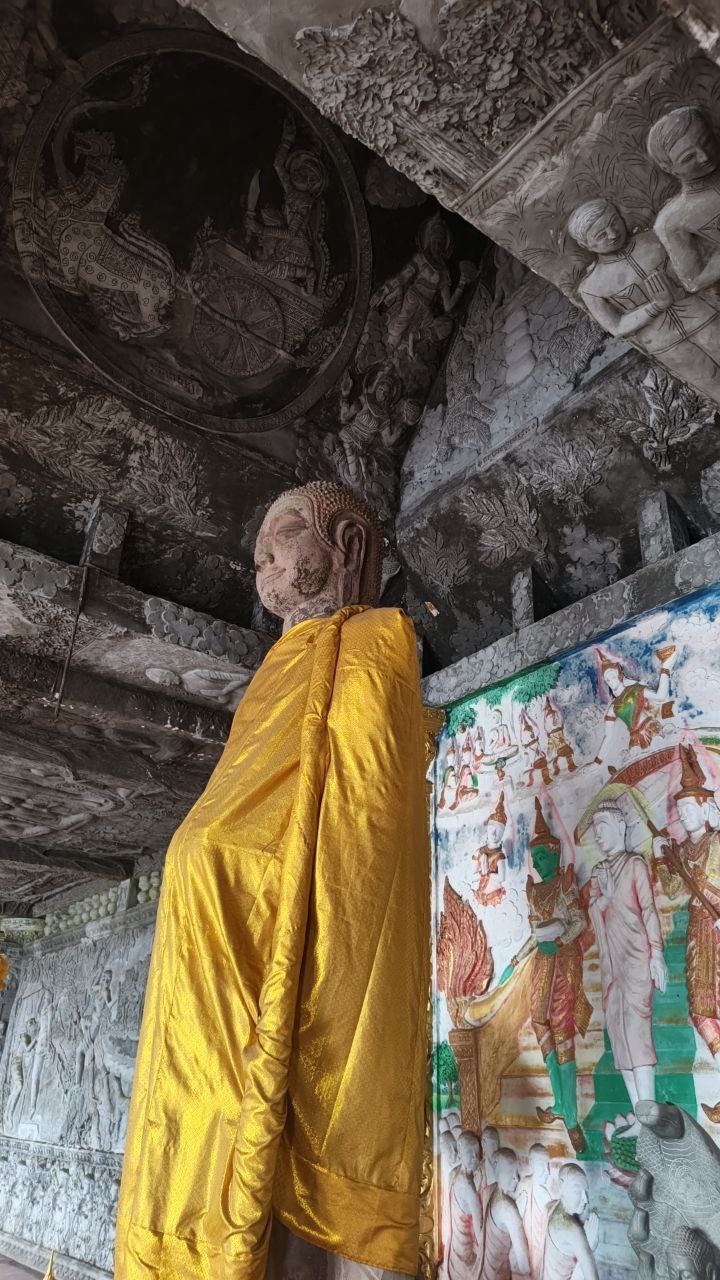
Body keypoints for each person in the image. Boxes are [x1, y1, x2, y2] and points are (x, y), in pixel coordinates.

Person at [116, 482, 429, 1280]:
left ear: (347, 546)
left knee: (289, 1110)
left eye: (284, 530)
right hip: (214, 940)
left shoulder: (376, 644)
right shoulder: (274, 674)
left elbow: (365, 828)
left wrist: (245, 867)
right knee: (199, 1123)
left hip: (296, 931)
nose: (261, 554)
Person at [502, 800, 591, 1154]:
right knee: (540, 1025)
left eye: (542, 857)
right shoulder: (535, 892)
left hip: (564, 961)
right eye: (534, 858)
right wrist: (515, 959)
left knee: (561, 1028)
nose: (538, 864)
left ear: (554, 854)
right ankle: (560, 1104)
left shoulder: (564, 885)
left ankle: (572, 1117)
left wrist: (561, 941)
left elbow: (578, 922)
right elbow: (534, 934)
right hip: (542, 961)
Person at [568, 199, 720, 401]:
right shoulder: (591, 287)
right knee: (710, 381)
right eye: (601, 235)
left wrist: (684, 286)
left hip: (702, 317)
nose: (613, 234)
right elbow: (617, 326)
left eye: (614, 222)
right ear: (584, 244)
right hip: (665, 342)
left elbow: (695, 266)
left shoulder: (657, 238)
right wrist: (656, 306)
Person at [587, 798, 667, 1136]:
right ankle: (640, 1115)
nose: (598, 836)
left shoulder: (635, 865)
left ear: (620, 827)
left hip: (635, 960)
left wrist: (657, 954)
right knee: (619, 1036)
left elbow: (648, 910)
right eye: (595, 830)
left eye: (603, 827)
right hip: (612, 967)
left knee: (636, 1033)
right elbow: (594, 914)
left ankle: (650, 1115)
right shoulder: (598, 873)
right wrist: (603, 899)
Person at [653, 744, 720, 1120]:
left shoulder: (717, 842)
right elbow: (674, 891)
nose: (683, 814)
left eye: (689, 808)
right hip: (698, 932)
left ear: (706, 808)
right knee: (700, 1010)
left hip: (718, 927)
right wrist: (662, 857)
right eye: (680, 810)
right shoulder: (681, 852)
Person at [648, 107, 720, 296]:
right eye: (688, 157)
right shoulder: (671, 220)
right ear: (668, 168)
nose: (704, 156)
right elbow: (694, 281)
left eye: (706, 141)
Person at [594, 647, 675, 768]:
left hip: (651, 728)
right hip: (635, 739)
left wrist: (665, 668)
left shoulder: (635, 690)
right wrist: (596, 763)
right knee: (644, 769)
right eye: (607, 679)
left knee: (666, 763)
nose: (610, 681)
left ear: (620, 675)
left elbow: (660, 696)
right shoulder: (613, 707)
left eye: (612, 677)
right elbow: (608, 736)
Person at [542, 1165, 598, 1280]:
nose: (585, 1199)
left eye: (586, 1191)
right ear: (561, 1186)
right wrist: (590, 1247)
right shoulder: (574, 1231)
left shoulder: (550, 1206)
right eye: (577, 1191)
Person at [482, 1148, 531, 1280]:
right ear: (497, 1168)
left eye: (517, 1171)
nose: (516, 1178)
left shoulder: (488, 1192)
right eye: (510, 1171)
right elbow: (524, 1265)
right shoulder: (508, 1208)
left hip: (485, 1273)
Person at [446, 1132, 484, 1280]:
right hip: (465, 1254)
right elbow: (479, 1231)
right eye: (470, 1152)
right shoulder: (468, 1187)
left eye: (477, 1152)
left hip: (453, 1249)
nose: (475, 1157)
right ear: (460, 1151)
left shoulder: (453, 1173)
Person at [517, 1144, 553, 1280]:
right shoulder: (523, 1187)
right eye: (541, 1164)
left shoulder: (546, 1195)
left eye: (548, 1165)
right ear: (531, 1164)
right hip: (525, 1251)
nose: (547, 1171)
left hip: (540, 1251)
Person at [473, 792, 507, 908]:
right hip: (481, 891)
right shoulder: (480, 851)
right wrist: (481, 872)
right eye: (491, 828)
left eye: (498, 830)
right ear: (487, 829)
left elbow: (502, 878)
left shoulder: (500, 856)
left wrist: (488, 874)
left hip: (493, 892)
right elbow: (473, 873)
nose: (493, 833)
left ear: (502, 833)